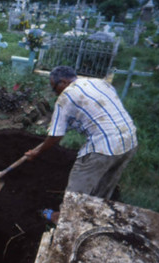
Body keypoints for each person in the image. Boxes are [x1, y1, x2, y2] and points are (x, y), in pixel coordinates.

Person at [25, 66, 138, 224]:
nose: (55, 93)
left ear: (63, 82)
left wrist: (37, 152)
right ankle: (94, 215)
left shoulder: (66, 97)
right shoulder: (99, 83)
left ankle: (64, 219)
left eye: (54, 88)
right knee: (105, 183)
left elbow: (56, 135)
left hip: (103, 146)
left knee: (77, 188)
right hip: (130, 140)